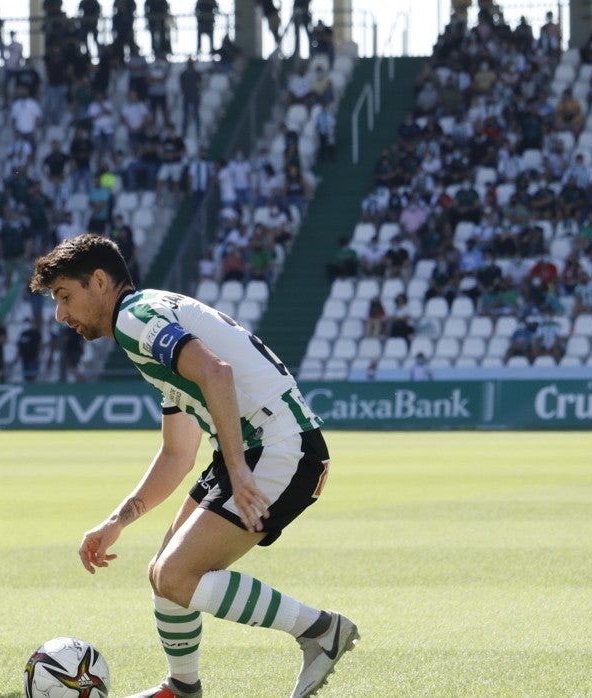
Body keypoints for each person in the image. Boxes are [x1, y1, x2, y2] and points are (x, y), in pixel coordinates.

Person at [29, 234, 358, 698]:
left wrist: (240, 471)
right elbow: (176, 454)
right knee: (163, 573)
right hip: (257, 447)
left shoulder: (133, 318)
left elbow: (216, 372)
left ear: (100, 282)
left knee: (177, 576)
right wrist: (117, 521)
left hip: (281, 447)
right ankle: (182, 687)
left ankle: (321, 631)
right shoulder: (150, 318)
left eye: (65, 297)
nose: (61, 315)